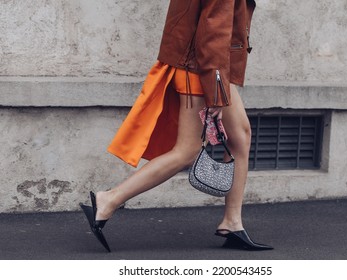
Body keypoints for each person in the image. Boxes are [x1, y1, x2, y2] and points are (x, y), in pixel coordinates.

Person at [80, 0, 273, 252]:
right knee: (187, 150)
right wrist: (215, 92)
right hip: (200, 68)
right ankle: (107, 200)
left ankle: (232, 222)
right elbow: (213, 28)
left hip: (203, 65)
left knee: (240, 135)